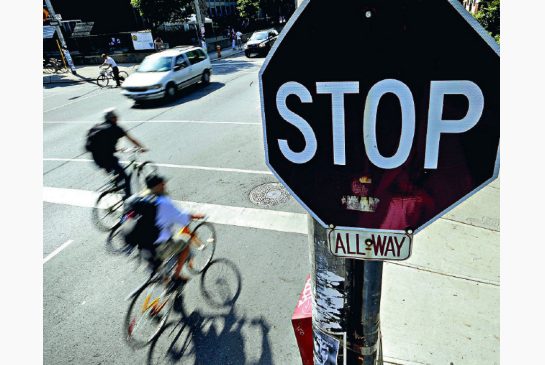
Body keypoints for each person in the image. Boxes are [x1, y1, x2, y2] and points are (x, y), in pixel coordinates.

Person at [138, 174, 205, 285]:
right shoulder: (164, 203)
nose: (165, 185)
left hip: (141, 245)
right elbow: (183, 219)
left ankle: (166, 280)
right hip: (157, 246)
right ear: (158, 186)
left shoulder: (143, 198)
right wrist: (196, 216)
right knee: (184, 244)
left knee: (165, 256)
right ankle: (176, 275)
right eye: (162, 183)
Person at [86, 108, 147, 198]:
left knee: (117, 173)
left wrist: (117, 149)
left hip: (96, 158)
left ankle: (116, 185)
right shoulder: (117, 128)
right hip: (108, 158)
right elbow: (132, 139)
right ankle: (128, 199)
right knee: (126, 178)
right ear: (113, 118)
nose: (117, 118)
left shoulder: (98, 127)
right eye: (116, 116)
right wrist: (141, 148)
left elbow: (104, 144)